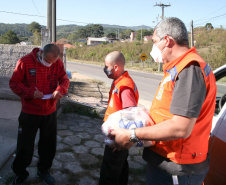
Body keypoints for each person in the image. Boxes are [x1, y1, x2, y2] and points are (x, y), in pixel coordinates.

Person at [110, 17, 217, 185]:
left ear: (167, 40)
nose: (153, 48)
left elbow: (180, 127)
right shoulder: (176, 68)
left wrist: (132, 135)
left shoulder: (189, 69)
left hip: (178, 166)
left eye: (155, 41)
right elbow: (166, 113)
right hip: (164, 159)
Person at [9, 44, 69, 185]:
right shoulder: (24, 62)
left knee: (48, 144)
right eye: (47, 61)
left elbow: (65, 79)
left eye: (52, 63)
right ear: (41, 52)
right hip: (30, 112)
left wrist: (60, 89)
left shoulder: (57, 63)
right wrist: (30, 92)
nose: (49, 65)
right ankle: (20, 173)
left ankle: (43, 170)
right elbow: (14, 83)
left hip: (49, 111)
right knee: (25, 145)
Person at [99, 51, 139, 185]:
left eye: (106, 66)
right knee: (119, 168)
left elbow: (131, 114)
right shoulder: (119, 81)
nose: (104, 69)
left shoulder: (124, 86)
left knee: (109, 172)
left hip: (118, 140)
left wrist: (124, 140)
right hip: (115, 136)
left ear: (115, 67)